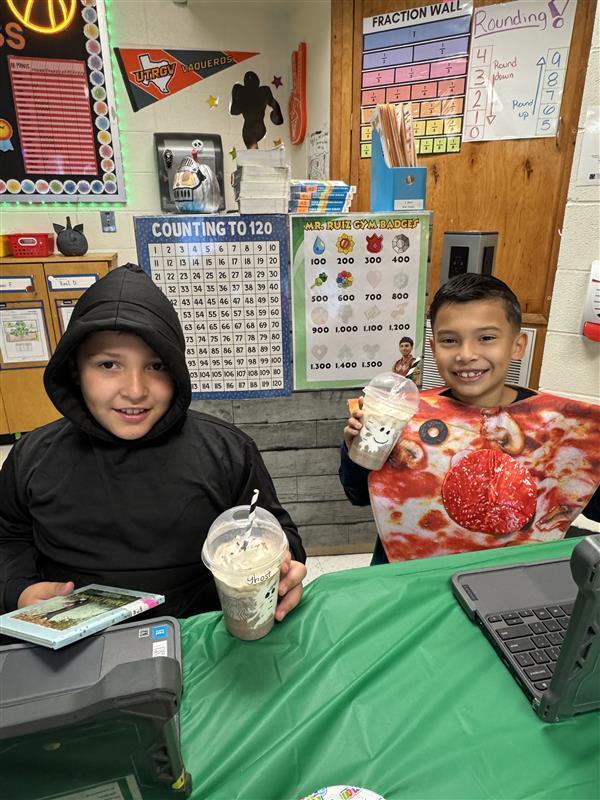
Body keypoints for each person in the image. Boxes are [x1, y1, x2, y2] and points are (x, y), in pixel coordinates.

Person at [0, 264, 306, 621]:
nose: (134, 390)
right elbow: (8, 537)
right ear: (74, 369)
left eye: (156, 366)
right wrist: (16, 588)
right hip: (77, 646)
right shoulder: (32, 457)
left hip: (202, 636)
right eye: (108, 365)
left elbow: (276, 530)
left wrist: (285, 568)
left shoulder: (227, 452)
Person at [340, 274, 600, 564]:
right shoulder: (401, 413)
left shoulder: (562, 426)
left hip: (512, 580)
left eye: (486, 338)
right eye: (449, 340)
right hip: (411, 575)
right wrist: (355, 452)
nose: (466, 355)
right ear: (433, 346)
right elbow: (359, 495)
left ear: (517, 344)